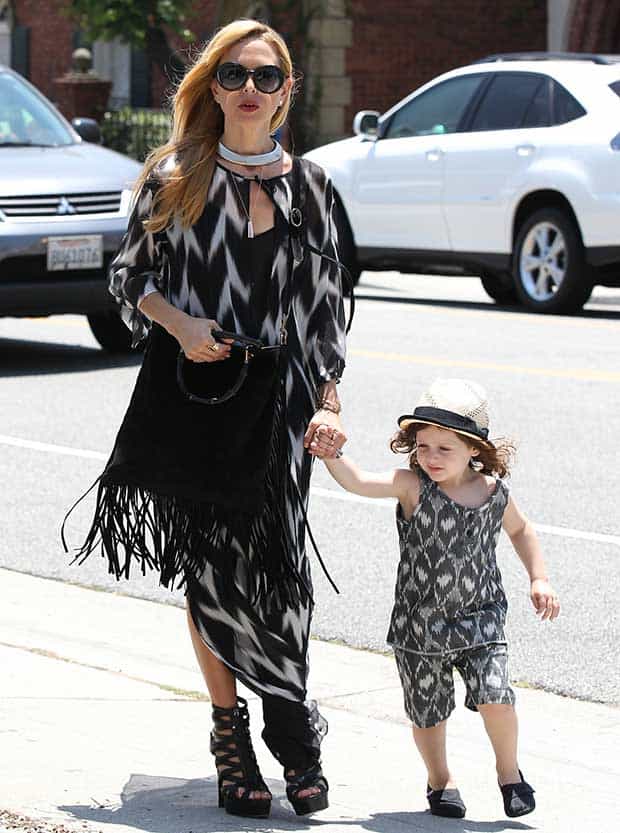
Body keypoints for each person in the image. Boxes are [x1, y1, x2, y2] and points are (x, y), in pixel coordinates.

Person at [63, 19, 349, 820]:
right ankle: (235, 738)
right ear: (211, 88)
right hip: (198, 400)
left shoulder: (313, 190)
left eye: (265, 77)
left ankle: (290, 718)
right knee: (212, 567)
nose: (249, 90)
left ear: (288, 91)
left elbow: (324, 314)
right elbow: (129, 279)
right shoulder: (174, 174)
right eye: (232, 75)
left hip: (281, 409)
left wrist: (330, 405)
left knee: (279, 574)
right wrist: (181, 324)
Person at [311, 378, 560, 820]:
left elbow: (521, 530)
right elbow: (360, 481)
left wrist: (538, 577)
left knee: (497, 694)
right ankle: (440, 779)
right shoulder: (412, 486)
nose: (430, 457)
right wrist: (332, 454)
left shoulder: (494, 492)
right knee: (428, 711)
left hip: (481, 618)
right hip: (419, 625)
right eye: (423, 446)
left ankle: (509, 774)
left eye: (444, 448)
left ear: (474, 450)